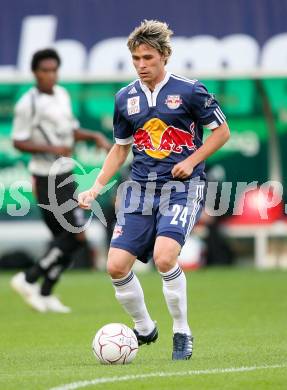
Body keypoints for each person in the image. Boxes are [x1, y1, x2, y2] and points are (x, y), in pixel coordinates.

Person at [78, 20, 230, 360]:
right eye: (136, 59)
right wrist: (95, 187)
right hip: (140, 190)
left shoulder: (190, 91)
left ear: (164, 55)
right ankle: (145, 327)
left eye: (148, 57)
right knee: (116, 265)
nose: (141, 65)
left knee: (164, 257)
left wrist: (192, 161)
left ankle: (181, 331)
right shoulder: (124, 98)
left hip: (182, 188)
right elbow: (120, 148)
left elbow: (221, 132)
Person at [11, 48, 111, 313]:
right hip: (46, 178)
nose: (50, 75)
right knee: (75, 236)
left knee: (68, 239)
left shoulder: (62, 95)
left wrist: (93, 137)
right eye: (44, 70)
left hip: (64, 175)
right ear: (35, 73)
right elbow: (18, 141)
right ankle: (29, 278)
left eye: (54, 70)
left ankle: (44, 293)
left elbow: (70, 131)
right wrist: (53, 150)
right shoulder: (27, 104)